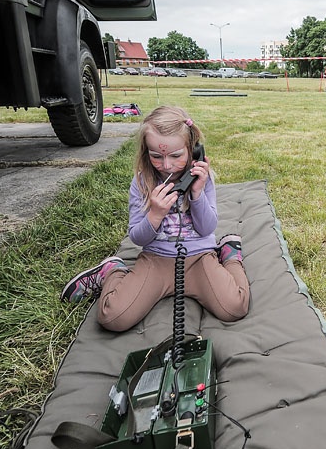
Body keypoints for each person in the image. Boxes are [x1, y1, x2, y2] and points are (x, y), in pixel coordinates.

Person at [61, 105, 250, 332]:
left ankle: (229, 254)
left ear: (193, 150)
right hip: (156, 258)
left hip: (199, 257)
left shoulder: (202, 178)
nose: (167, 164)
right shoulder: (141, 183)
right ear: (145, 152)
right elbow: (138, 237)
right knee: (113, 318)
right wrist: (155, 214)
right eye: (156, 156)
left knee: (234, 307)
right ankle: (111, 270)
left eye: (176, 155)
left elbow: (207, 228)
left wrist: (197, 194)